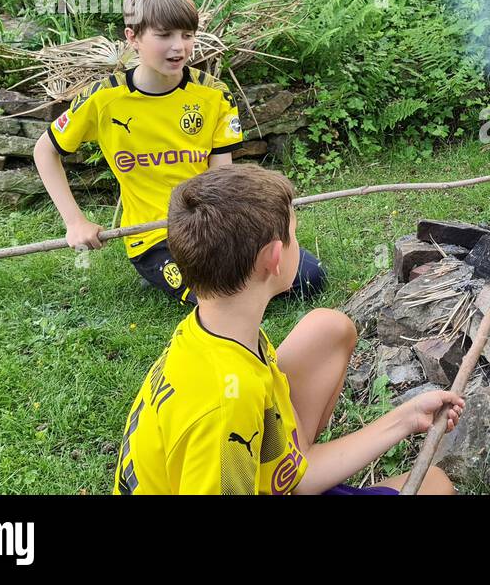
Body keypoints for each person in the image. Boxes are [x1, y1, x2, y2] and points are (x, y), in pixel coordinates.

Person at [113, 164, 462, 494]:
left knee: (327, 328)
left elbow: (297, 473)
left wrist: (406, 418)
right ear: (274, 257)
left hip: (261, 468)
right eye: (295, 235)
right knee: (435, 485)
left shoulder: (218, 333)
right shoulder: (228, 405)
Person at [32, 0, 325, 304]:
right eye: (164, 35)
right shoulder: (104, 99)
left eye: (187, 35)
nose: (179, 47)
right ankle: (159, 268)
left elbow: (221, 177)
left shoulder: (213, 94)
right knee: (218, 297)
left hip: (210, 224)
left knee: (309, 278)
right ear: (133, 38)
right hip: (153, 235)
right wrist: (75, 222)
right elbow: (45, 150)